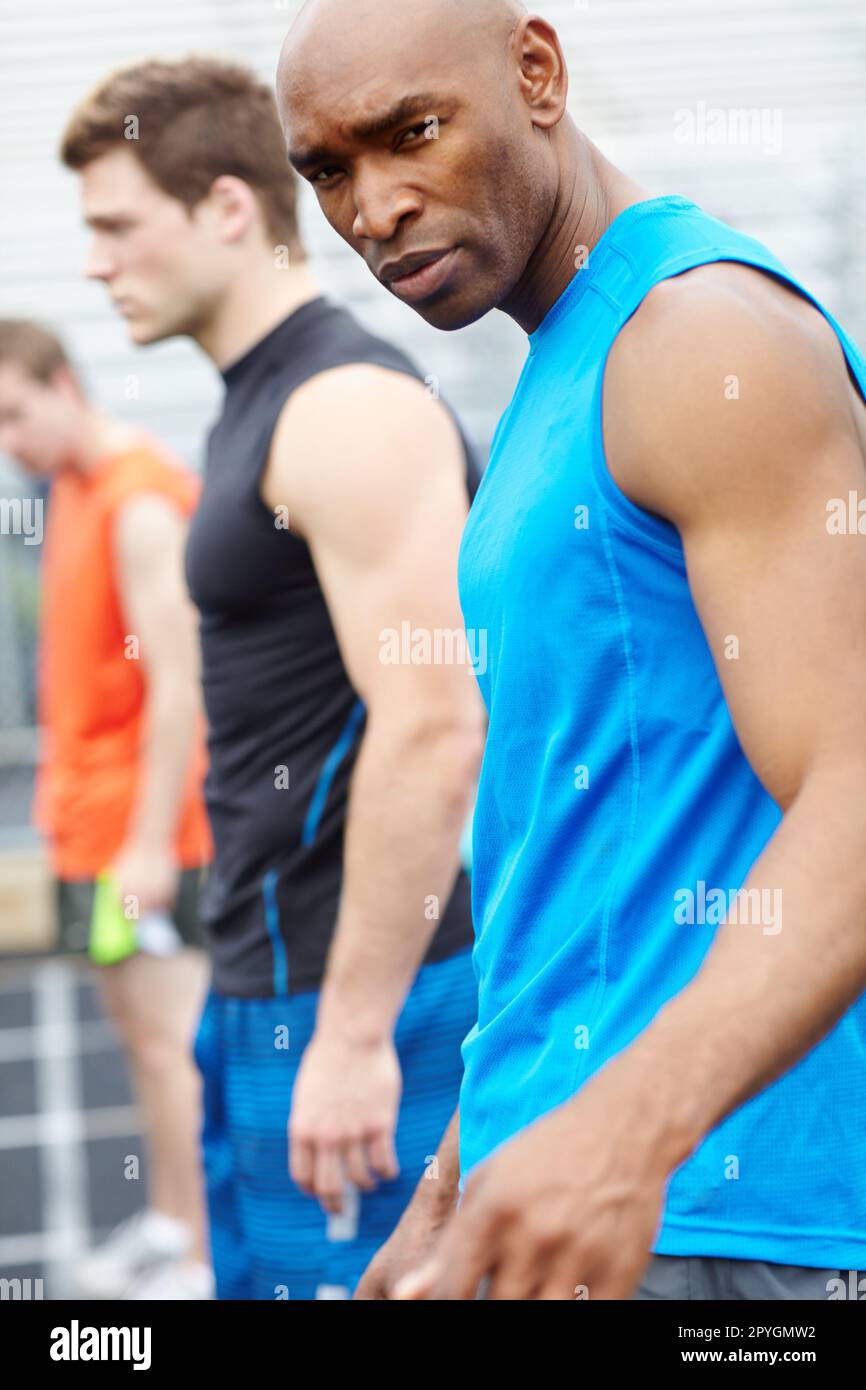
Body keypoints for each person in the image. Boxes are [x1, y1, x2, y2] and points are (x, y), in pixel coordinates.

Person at [277, 0, 866, 1300]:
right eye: (328, 170)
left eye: (409, 134)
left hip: (710, 1209)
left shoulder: (700, 339)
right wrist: (456, 1169)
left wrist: (625, 1127)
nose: (371, 207)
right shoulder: (564, 370)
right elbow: (583, 857)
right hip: (554, 1192)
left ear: (535, 72)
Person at [60, 56, 486, 1299]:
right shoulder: (257, 402)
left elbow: (435, 722)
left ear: (228, 210)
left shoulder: (343, 405)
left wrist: (352, 1035)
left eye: (118, 227)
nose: (95, 263)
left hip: (355, 1011)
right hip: (261, 989)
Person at [0, 320, 214, 1300]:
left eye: (14, 412)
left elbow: (179, 685)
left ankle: (204, 1257)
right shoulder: (73, 490)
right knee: (140, 1038)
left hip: (143, 836)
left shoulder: (137, 500)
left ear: (65, 384)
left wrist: (144, 848)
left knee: (174, 1047)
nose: (10, 440)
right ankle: (172, 1223)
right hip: (90, 827)